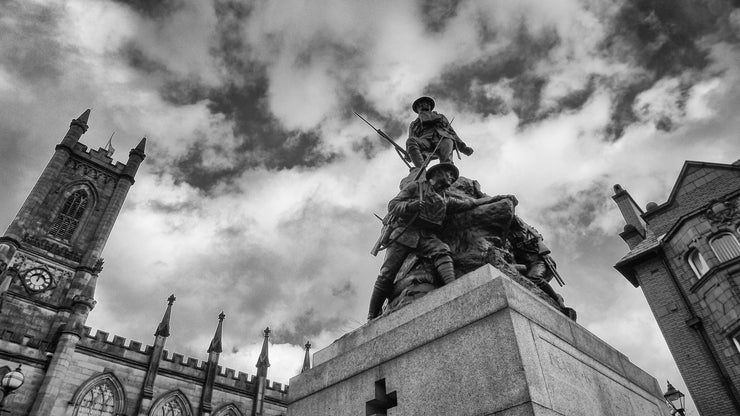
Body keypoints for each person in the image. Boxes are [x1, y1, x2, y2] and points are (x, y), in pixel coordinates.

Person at [367, 163, 505, 320]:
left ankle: (453, 289)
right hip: (404, 233)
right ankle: (372, 315)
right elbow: (393, 205)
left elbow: (469, 204)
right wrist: (409, 206)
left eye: (453, 176)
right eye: (449, 173)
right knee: (386, 274)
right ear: (437, 173)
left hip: (425, 236)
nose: (452, 178)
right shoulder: (416, 187)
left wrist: (494, 199)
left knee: (442, 250)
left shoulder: (445, 199)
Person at [406, 96, 474, 168]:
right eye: (420, 105)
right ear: (417, 108)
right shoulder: (414, 124)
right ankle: (420, 170)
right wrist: (408, 153)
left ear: (429, 106)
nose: (423, 105)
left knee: (446, 160)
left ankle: (447, 170)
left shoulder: (440, 117)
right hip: (425, 142)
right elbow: (411, 137)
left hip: (442, 138)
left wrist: (463, 148)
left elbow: (452, 132)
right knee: (411, 141)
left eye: (426, 103)